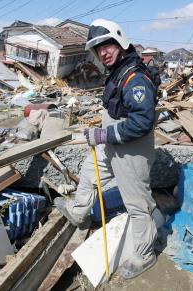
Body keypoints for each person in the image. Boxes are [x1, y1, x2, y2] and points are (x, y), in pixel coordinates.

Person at [54, 19, 159, 279]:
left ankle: (145, 253)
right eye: (98, 49)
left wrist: (104, 133)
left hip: (132, 149)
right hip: (111, 143)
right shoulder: (118, 72)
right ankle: (80, 214)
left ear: (120, 42)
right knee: (89, 173)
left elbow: (142, 122)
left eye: (107, 45)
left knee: (137, 204)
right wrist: (103, 135)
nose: (103, 53)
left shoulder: (135, 78)